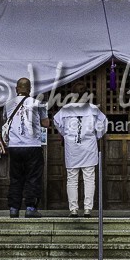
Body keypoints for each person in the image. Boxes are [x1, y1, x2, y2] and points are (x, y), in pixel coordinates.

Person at [51, 86, 108, 216]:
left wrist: (66, 134)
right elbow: (103, 124)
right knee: (89, 178)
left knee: (72, 178)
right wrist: (96, 135)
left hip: (72, 147)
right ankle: (88, 208)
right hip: (89, 145)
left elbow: (56, 122)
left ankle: (73, 209)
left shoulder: (65, 109)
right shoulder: (93, 109)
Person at [2, 77, 48, 217]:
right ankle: (30, 208)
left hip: (14, 146)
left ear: (17, 89)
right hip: (32, 145)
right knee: (33, 177)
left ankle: (14, 209)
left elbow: (6, 119)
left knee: (15, 177)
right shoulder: (37, 103)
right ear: (29, 89)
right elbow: (45, 123)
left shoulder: (8, 104)